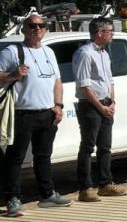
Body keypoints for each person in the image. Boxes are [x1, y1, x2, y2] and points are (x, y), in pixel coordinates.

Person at [0, 14, 71, 217]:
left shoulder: (49, 51)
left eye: (41, 25)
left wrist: (58, 105)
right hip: (22, 113)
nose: (37, 28)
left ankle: (47, 195)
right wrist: (12, 75)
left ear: (46, 30)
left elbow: (57, 80)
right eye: (32, 25)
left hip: (47, 113)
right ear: (24, 29)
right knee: (15, 158)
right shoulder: (12, 52)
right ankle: (13, 199)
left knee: (43, 157)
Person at [73, 18, 127, 203]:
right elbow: (84, 86)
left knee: (105, 146)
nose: (112, 34)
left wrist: (111, 102)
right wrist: (100, 107)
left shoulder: (104, 53)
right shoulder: (85, 53)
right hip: (90, 105)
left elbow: (109, 80)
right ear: (99, 33)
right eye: (110, 31)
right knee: (88, 147)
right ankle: (85, 188)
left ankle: (105, 183)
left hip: (105, 103)